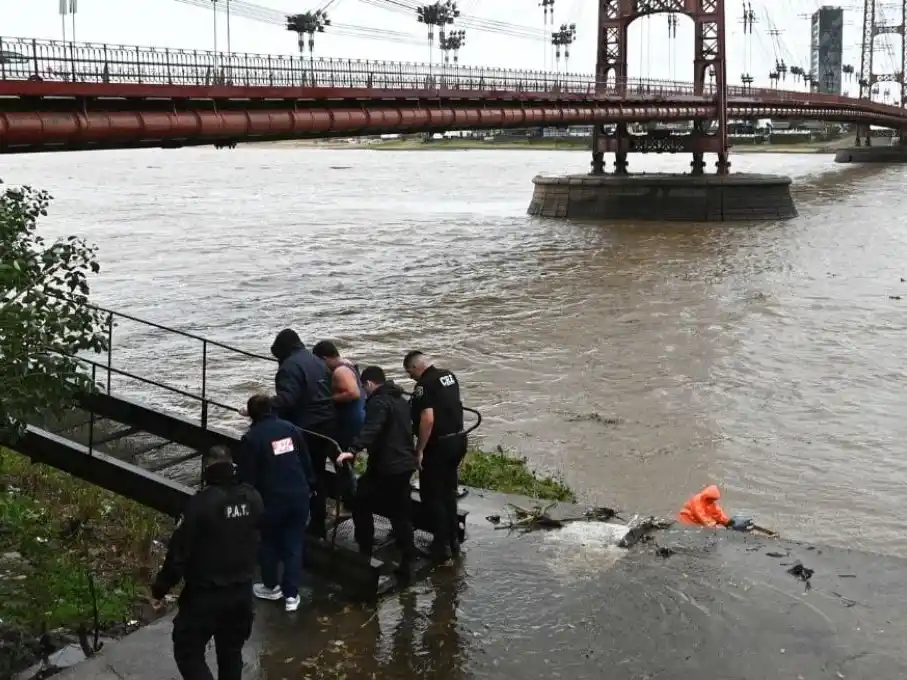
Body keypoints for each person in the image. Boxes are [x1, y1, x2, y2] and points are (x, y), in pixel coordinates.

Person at [150, 446, 264, 680]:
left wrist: (160, 589)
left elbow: (178, 554)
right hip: (241, 593)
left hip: (205, 595)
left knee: (188, 651)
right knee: (231, 652)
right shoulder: (253, 497)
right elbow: (260, 534)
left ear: (206, 469)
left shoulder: (200, 504)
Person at [336, 366, 418, 581]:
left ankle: (365, 552)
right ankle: (408, 560)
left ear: (369, 384)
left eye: (364, 388)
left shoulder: (378, 402)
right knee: (400, 513)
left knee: (360, 502)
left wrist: (352, 449)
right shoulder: (400, 399)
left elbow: (372, 428)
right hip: (405, 463)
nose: (365, 392)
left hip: (386, 465)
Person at [237, 394, 315, 613]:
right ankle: (291, 595)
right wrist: (311, 484)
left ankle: (271, 586)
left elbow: (247, 476)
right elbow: (305, 460)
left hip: (271, 500)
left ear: (251, 415)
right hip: (298, 495)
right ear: (272, 408)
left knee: (268, 542)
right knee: (294, 544)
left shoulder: (252, 438)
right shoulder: (290, 429)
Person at [269, 328, 338, 539]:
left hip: (301, 431)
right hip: (325, 427)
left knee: (284, 467)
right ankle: (318, 521)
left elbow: (287, 400)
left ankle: (292, 519)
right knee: (317, 473)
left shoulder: (289, 367)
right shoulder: (316, 360)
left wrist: (261, 406)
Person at [404, 350, 466, 563]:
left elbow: (428, 419)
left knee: (431, 495)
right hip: (458, 440)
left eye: (409, 372)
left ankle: (441, 546)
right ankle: (453, 539)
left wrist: (419, 449)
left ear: (416, 367)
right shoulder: (448, 375)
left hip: (438, 445)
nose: (410, 377)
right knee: (448, 492)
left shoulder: (423, 385)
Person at [312, 340, 366, 452]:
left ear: (324, 359)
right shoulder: (347, 364)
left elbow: (353, 393)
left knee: (342, 454)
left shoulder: (340, 371)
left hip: (351, 421)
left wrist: (328, 400)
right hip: (359, 417)